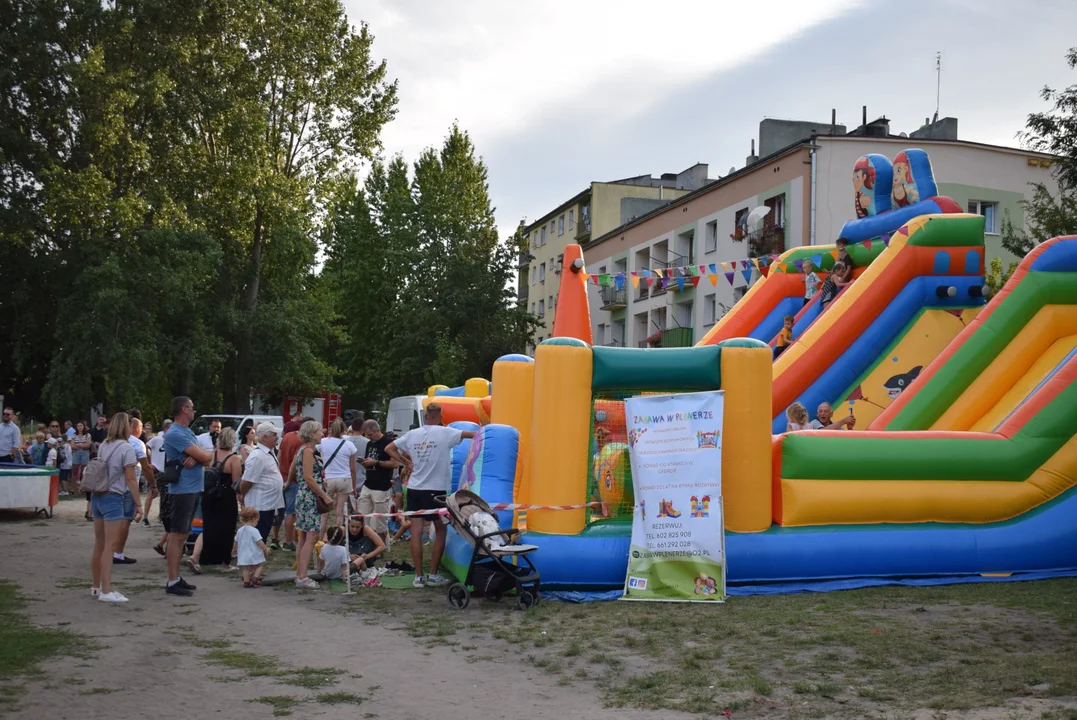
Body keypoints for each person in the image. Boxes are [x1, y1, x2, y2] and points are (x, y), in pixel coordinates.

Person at [385, 403, 476, 588]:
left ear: (425, 416)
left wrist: (406, 463)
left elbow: (389, 448)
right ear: (440, 417)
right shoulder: (446, 432)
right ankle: (433, 575)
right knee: (441, 530)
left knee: (416, 532)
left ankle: (419, 577)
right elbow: (471, 434)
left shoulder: (413, 434)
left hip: (415, 488)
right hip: (437, 490)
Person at [162, 396, 213, 597]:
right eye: (192, 408)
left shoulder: (188, 432)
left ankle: (176, 577)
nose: (194, 411)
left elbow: (208, 456)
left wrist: (198, 456)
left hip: (192, 488)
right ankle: (172, 580)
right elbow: (206, 456)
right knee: (177, 534)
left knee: (183, 534)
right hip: (182, 490)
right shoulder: (175, 433)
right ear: (184, 409)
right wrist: (199, 455)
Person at [90, 412, 143, 603]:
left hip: (98, 495)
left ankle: (96, 586)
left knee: (100, 545)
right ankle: (106, 590)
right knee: (110, 547)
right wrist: (138, 503)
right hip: (113, 497)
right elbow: (130, 478)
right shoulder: (126, 448)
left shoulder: (104, 445)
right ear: (125, 427)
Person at [187, 427, 241, 574]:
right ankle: (225, 563)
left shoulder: (211, 456)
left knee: (208, 528)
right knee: (227, 529)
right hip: (226, 498)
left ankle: (195, 556)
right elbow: (236, 483)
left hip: (208, 496)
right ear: (232, 440)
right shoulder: (234, 459)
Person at [289, 420, 333, 589]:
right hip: (309, 497)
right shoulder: (307, 451)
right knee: (312, 536)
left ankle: (300, 573)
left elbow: (295, 468)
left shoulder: (304, 450)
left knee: (304, 537)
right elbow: (308, 477)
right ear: (312, 434)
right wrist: (324, 495)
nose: (323, 434)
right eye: (320, 431)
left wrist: (287, 482)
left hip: (305, 496)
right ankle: (302, 576)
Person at [112, 417, 152, 565]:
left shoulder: (111, 442)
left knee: (113, 520)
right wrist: (153, 485)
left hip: (113, 486)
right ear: (137, 428)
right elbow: (145, 467)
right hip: (128, 487)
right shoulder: (137, 444)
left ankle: (110, 551)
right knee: (125, 521)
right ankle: (118, 553)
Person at [238, 422, 285, 542]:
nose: (277, 437)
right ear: (264, 437)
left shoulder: (268, 452)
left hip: (268, 504)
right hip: (260, 506)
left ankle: (256, 559)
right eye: (274, 435)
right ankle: (252, 560)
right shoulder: (258, 456)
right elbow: (246, 481)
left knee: (261, 536)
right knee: (257, 537)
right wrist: (243, 495)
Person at [358, 420, 399, 541]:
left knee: (381, 521)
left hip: (382, 486)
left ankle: (381, 545)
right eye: (366, 435)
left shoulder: (389, 443)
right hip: (368, 484)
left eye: (370, 434)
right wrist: (365, 463)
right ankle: (365, 542)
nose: (369, 437)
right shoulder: (370, 444)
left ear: (377, 430)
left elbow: (395, 463)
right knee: (362, 516)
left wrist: (376, 462)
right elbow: (370, 461)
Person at [272, 418, 308, 551]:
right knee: (291, 512)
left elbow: (280, 456)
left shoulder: (287, 437)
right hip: (293, 480)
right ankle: (288, 541)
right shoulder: (301, 441)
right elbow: (296, 462)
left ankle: (275, 538)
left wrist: (279, 473)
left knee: (279, 510)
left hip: (281, 476)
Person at [317, 418, 358, 527]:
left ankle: (320, 537)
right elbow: (353, 469)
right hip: (344, 478)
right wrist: (354, 487)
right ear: (343, 430)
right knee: (339, 511)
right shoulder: (349, 445)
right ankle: (338, 534)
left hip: (328, 479)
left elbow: (312, 450)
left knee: (324, 512)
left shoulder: (323, 442)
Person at [234, 507, 270, 588]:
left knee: (246, 568)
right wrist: (265, 549)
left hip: (243, 553)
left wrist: (234, 549)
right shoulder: (254, 530)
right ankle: (255, 578)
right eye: (257, 520)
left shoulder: (240, 530)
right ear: (253, 519)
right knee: (259, 566)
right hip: (254, 552)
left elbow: (236, 540)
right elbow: (259, 541)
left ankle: (246, 582)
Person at [144, 418, 171, 527]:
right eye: (169, 428)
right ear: (164, 429)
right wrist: (149, 462)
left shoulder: (173, 441)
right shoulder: (157, 439)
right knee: (152, 492)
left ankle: (162, 516)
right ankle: (145, 516)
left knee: (166, 494)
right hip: (157, 469)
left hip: (167, 470)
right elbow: (146, 447)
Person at [71, 421, 92, 490]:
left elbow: (88, 445)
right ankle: (74, 488)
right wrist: (82, 446)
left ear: (83, 426)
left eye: (81, 426)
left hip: (85, 453)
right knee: (74, 469)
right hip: (76, 453)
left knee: (84, 470)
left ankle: (83, 487)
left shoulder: (87, 435)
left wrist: (78, 445)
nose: (80, 427)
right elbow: (72, 446)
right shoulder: (74, 435)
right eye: (78, 426)